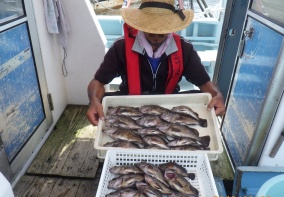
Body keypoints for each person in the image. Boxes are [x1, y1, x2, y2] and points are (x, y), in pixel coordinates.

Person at [86, 0, 225, 126]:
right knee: (103, 101)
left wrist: (217, 95)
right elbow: (98, 82)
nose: (156, 36)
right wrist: (93, 100)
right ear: (141, 24)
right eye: (150, 30)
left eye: (162, 31)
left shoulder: (185, 49)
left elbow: (204, 82)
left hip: (168, 106)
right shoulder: (120, 47)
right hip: (130, 104)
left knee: (201, 100)